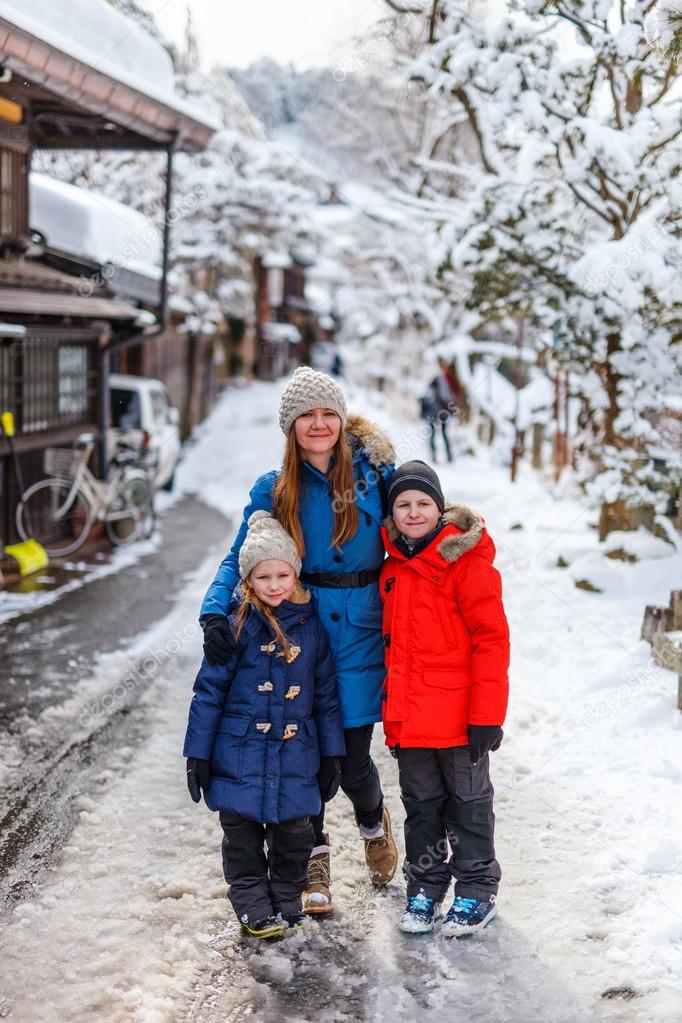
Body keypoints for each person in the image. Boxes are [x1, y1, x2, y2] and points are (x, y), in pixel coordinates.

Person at [199, 367, 399, 914]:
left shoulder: (376, 474)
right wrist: (215, 612)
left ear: (341, 419)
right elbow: (240, 554)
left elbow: (417, 527)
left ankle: (372, 821)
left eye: (327, 413)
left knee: (353, 758)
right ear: (290, 427)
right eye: (306, 416)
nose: (318, 424)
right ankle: (315, 856)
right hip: (298, 631)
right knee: (305, 756)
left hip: (360, 628)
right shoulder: (274, 488)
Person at [184, 510, 346, 940]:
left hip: (297, 756)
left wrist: (332, 754)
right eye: (263, 577)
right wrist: (196, 754)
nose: (274, 585)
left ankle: (285, 899)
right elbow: (208, 694)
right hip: (239, 755)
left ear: (294, 575)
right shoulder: (236, 626)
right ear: (247, 581)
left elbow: (326, 696)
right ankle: (254, 907)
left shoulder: (311, 628)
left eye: (282, 575)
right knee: (242, 841)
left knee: (295, 835)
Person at [378, 460, 510, 937]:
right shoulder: (391, 569)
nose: (414, 513)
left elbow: (492, 641)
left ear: (440, 508)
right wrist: (393, 721)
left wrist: (486, 717)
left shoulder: (466, 563)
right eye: (403, 505)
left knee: (468, 805)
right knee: (421, 805)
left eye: (423, 503)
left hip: (460, 721)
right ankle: (426, 886)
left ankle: (476, 889)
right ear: (392, 514)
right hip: (412, 722)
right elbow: (393, 653)